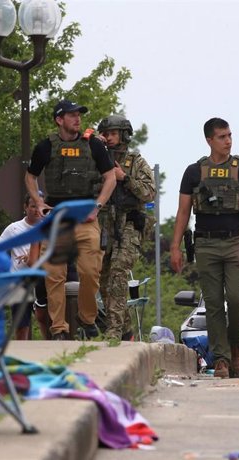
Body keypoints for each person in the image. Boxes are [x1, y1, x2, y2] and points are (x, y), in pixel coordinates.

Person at [170, 117, 239, 378]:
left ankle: (236, 345)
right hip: (206, 244)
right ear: (209, 140)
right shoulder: (194, 172)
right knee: (213, 304)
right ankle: (222, 359)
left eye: (229, 135)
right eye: (222, 137)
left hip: (236, 241)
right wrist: (175, 247)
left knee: (237, 300)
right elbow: (183, 212)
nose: (228, 141)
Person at [25, 100, 116, 340]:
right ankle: (59, 329)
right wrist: (39, 202)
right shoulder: (46, 146)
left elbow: (110, 178)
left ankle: (86, 318)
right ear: (59, 119)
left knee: (90, 271)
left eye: (79, 115)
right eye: (71, 115)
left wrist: (98, 206)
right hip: (56, 218)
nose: (77, 119)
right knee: (54, 275)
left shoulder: (94, 146)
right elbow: (30, 176)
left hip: (86, 216)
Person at [97, 114, 156, 340]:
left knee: (119, 272)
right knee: (102, 278)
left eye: (113, 134)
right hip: (105, 225)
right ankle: (126, 331)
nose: (110, 138)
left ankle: (113, 331)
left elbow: (149, 192)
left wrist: (124, 178)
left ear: (123, 135)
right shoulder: (98, 160)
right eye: (106, 134)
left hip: (130, 224)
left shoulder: (136, 162)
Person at [0, 193, 43, 340]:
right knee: (21, 324)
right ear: (25, 207)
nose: (36, 210)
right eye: (33, 206)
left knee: (44, 319)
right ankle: (22, 350)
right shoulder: (14, 229)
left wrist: (34, 255)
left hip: (43, 280)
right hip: (20, 280)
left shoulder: (50, 227)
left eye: (39, 206)